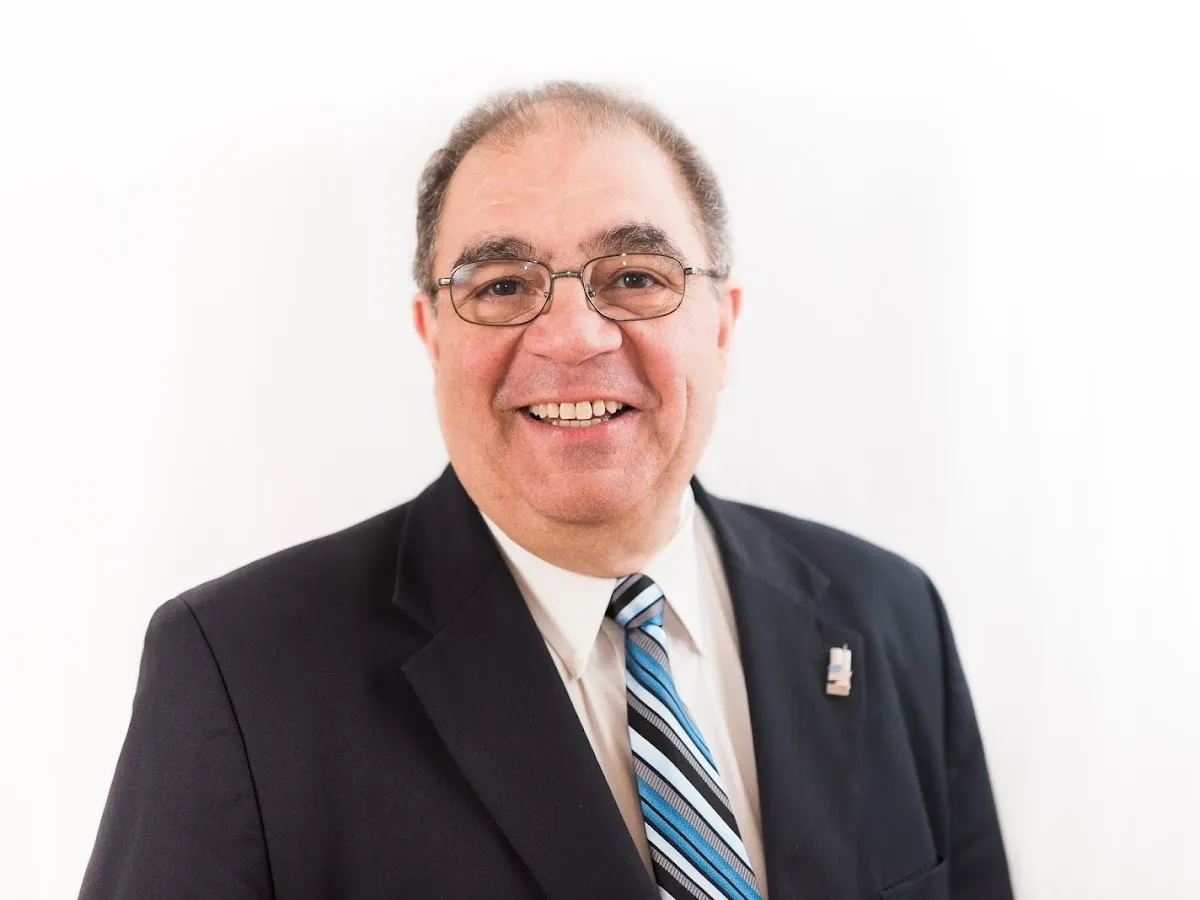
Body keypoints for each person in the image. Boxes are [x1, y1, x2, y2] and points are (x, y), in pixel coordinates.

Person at [79, 82, 1013, 900]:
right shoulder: (241, 676)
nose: (572, 336)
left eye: (635, 276)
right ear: (432, 336)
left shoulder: (889, 617)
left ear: (723, 327)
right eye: (500, 285)